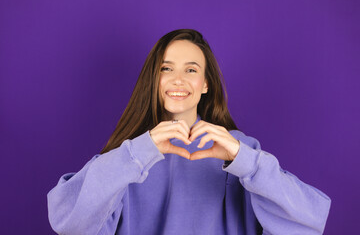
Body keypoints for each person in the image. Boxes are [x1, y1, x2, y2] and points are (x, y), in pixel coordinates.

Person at [47, 29, 331, 235]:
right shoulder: (128, 156)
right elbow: (69, 223)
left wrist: (246, 161)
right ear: (154, 80)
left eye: (191, 70)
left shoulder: (241, 149)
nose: (178, 80)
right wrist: (135, 154)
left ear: (206, 84)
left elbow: (309, 222)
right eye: (166, 68)